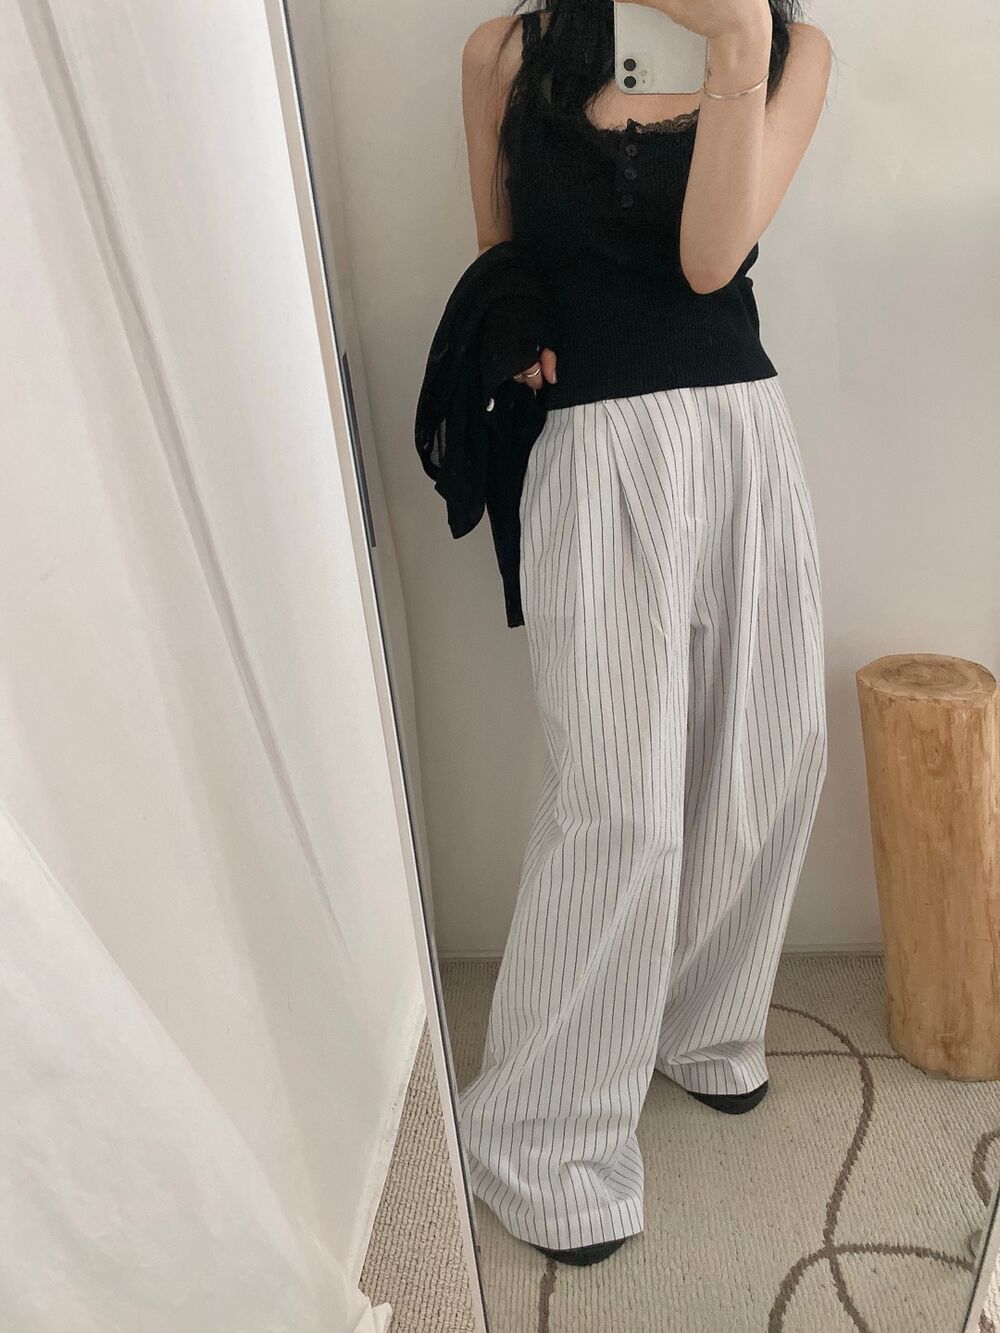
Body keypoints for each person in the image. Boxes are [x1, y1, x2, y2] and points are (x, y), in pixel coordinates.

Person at [455, 0, 831, 1267]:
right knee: (619, 802)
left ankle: (700, 1022)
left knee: (766, 755)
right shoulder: (506, 53)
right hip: (598, 450)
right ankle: (540, 1135)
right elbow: (500, 255)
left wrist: (733, 45)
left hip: (738, 439)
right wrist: (515, 329)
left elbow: (711, 262)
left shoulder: (790, 49)